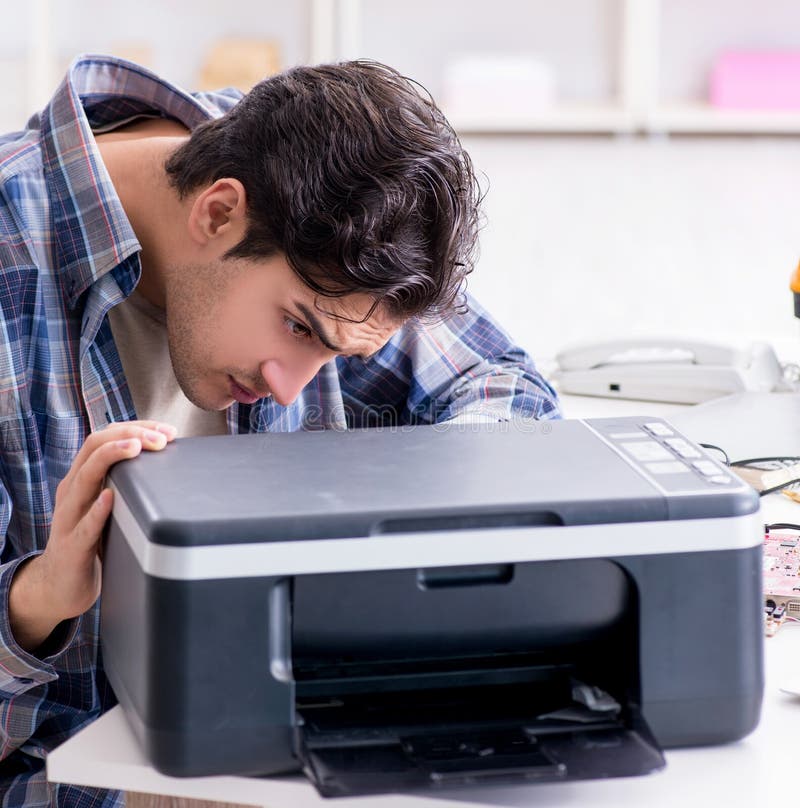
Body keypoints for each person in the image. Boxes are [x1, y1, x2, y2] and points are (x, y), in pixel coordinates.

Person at [0, 53, 559, 805]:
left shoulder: (325, 191)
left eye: (332, 350)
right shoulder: (14, 254)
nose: (289, 384)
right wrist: (36, 604)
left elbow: (500, 383)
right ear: (218, 213)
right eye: (297, 326)